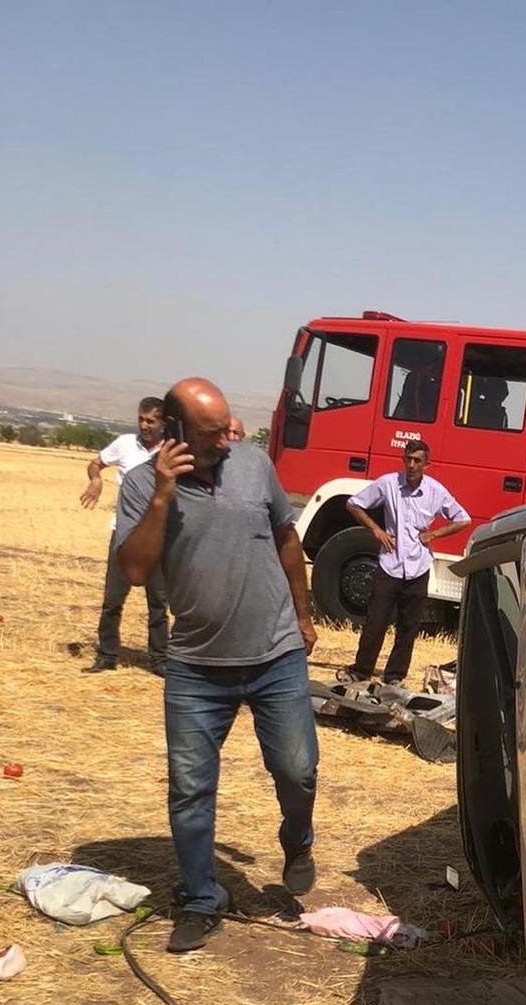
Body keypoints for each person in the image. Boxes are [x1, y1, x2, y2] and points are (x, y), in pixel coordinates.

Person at [116, 378, 320, 954]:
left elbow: (286, 540)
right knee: (189, 788)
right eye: (210, 434)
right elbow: (134, 569)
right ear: (175, 432)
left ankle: (297, 839)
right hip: (197, 667)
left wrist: (303, 616)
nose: (226, 442)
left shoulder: (255, 465)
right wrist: (162, 495)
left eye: (227, 427)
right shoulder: (140, 485)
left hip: (276, 653)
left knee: (298, 770)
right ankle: (202, 898)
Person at [340, 440, 470, 686]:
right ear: (403, 459)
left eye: (417, 460)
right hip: (390, 564)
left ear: (426, 464)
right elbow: (354, 504)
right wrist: (377, 530)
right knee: (375, 623)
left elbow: (463, 519)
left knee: (408, 627)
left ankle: (394, 677)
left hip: (418, 567)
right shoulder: (389, 483)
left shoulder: (436, 491)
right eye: (408, 459)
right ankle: (361, 671)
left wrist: (434, 535)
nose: (412, 465)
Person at [79, 397, 169, 675]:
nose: (144, 425)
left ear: (164, 423)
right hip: (124, 534)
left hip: (158, 537)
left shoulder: (170, 450)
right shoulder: (125, 444)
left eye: (151, 420)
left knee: (158, 602)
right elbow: (96, 463)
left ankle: (160, 660)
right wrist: (95, 480)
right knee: (112, 599)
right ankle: (107, 655)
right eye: (141, 419)